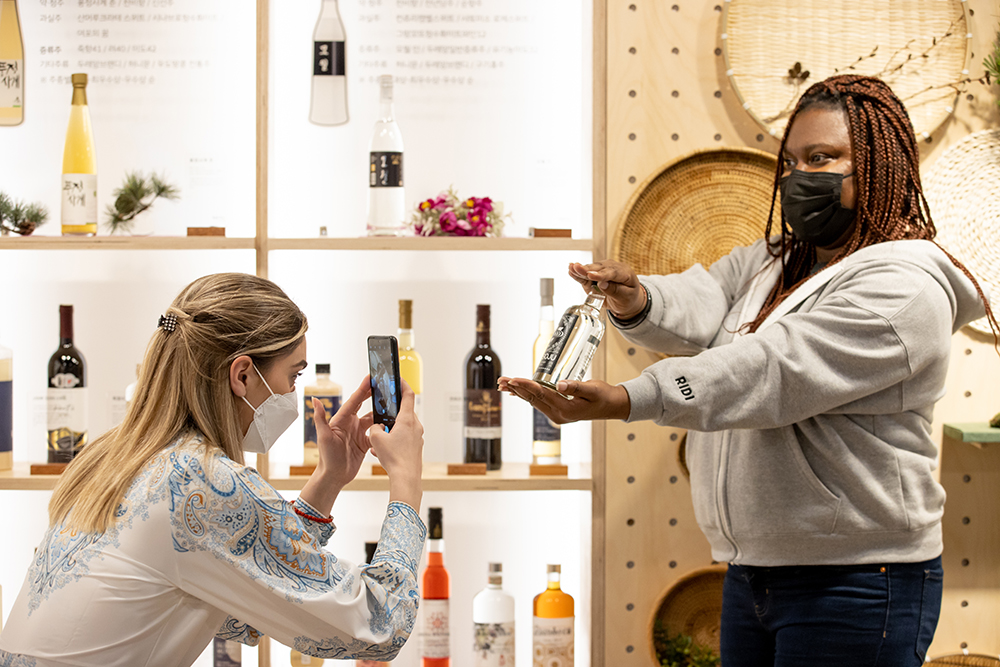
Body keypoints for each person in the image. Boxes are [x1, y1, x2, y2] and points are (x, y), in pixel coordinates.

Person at [500, 74, 998, 666]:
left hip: (859, 582)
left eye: (821, 158)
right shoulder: (777, 262)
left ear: (879, 166)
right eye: (790, 162)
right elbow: (706, 297)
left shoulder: (904, 289)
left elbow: (773, 370)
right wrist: (637, 299)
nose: (797, 178)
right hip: (752, 573)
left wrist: (629, 398)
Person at [0, 273, 426, 665]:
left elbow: (255, 592)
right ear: (242, 374)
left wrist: (328, 479)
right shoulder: (200, 481)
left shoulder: (110, 458)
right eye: (293, 377)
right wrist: (406, 480)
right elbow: (380, 625)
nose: (292, 393)